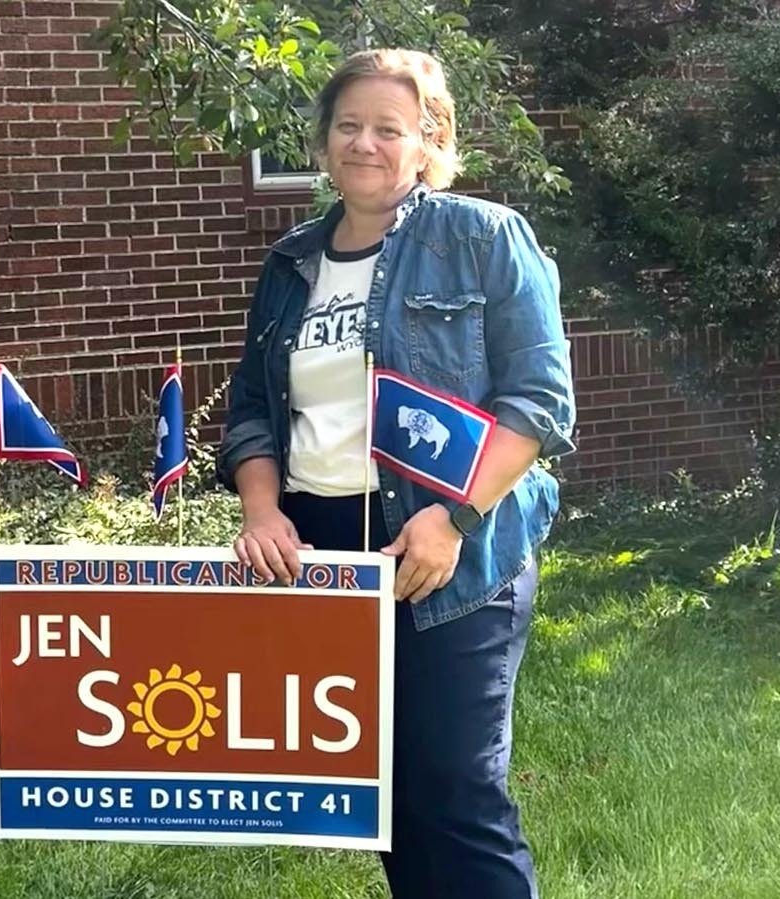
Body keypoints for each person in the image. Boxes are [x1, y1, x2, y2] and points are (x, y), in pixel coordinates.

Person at [215, 48, 576, 899]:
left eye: (389, 127)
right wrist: (262, 510)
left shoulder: (483, 237)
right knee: (383, 791)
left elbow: (540, 402)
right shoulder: (292, 261)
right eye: (348, 125)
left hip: (449, 541)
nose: (365, 143)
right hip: (325, 551)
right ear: (324, 140)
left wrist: (453, 518)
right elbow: (253, 409)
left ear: (429, 141)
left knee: (456, 788)